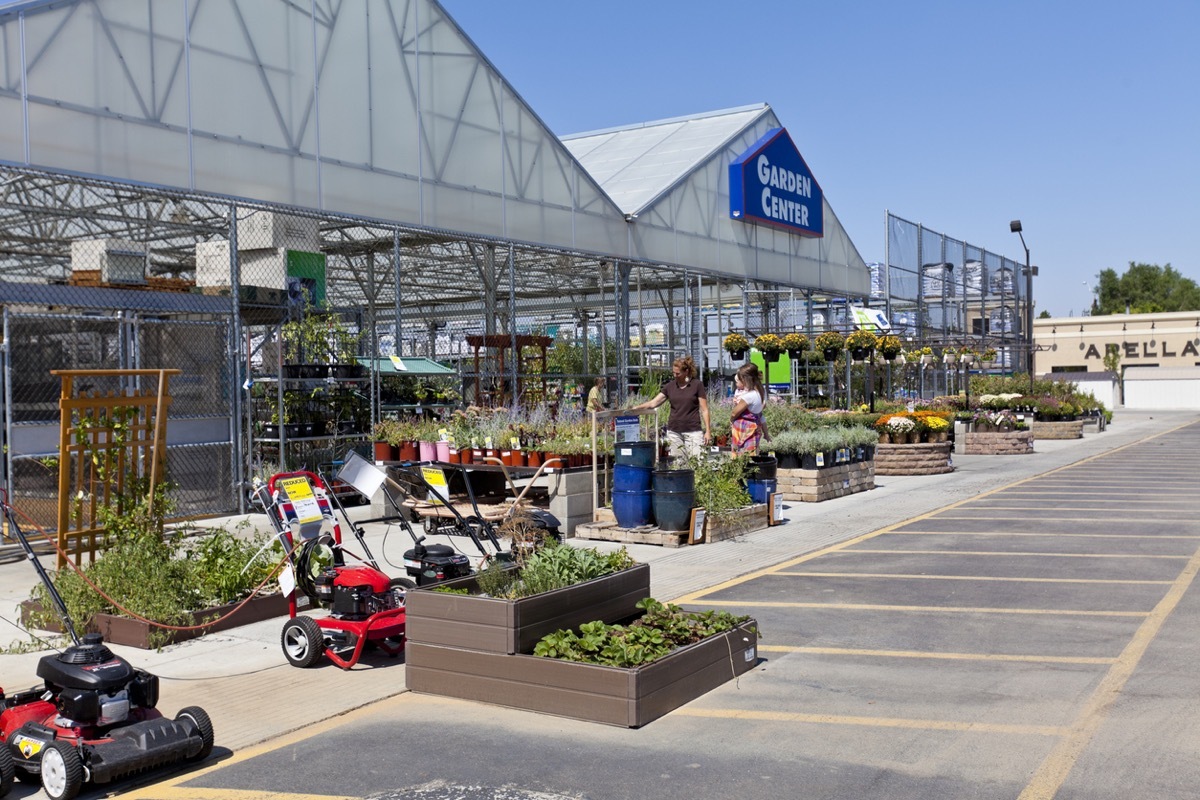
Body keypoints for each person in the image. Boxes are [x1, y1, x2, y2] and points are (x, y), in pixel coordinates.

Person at [633, 355, 710, 459]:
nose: (675, 375)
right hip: (674, 431)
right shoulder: (670, 386)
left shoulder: (697, 385)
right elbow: (654, 403)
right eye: (673, 372)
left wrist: (708, 431)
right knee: (678, 464)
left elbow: (704, 410)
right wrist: (636, 408)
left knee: (697, 462)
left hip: (693, 431)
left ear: (686, 371)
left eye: (678, 373)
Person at [730, 362, 768, 453]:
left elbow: (734, 413)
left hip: (743, 430)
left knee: (741, 459)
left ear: (746, 379)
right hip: (754, 428)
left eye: (741, 378)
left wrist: (731, 420)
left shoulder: (749, 396)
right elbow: (763, 406)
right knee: (751, 456)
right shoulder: (761, 391)